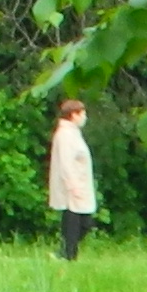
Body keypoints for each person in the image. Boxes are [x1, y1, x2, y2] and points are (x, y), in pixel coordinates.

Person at [47, 97, 97, 260]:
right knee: (75, 221)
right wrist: (72, 185)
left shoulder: (73, 133)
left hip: (80, 185)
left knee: (83, 222)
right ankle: (67, 254)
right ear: (73, 115)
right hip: (73, 187)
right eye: (82, 113)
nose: (84, 117)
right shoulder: (66, 135)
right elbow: (66, 162)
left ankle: (66, 252)